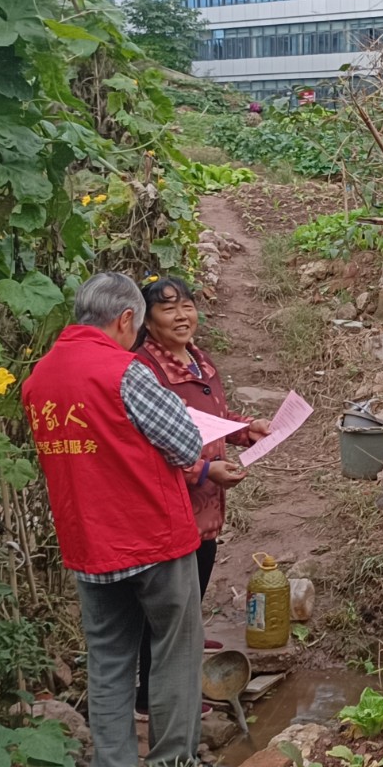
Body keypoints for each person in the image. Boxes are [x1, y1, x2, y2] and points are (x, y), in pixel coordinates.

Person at [22, 272, 214, 767]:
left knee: (108, 658)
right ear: (127, 319)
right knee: (175, 648)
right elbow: (183, 444)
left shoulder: (39, 379)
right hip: (151, 535)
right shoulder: (124, 372)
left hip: (89, 542)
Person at [131, 275, 269, 717]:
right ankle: (152, 698)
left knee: (194, 584)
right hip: (169, 504)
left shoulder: (198, 361)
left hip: (206, 505)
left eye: (186, 305)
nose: (181, 315)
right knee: (165, 610)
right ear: (145, 320)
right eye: (167, 308)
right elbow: (146, 444)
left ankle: (184, 657)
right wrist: (204, 468)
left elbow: (214, 416)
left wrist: (247, 429)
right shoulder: (144, 371)